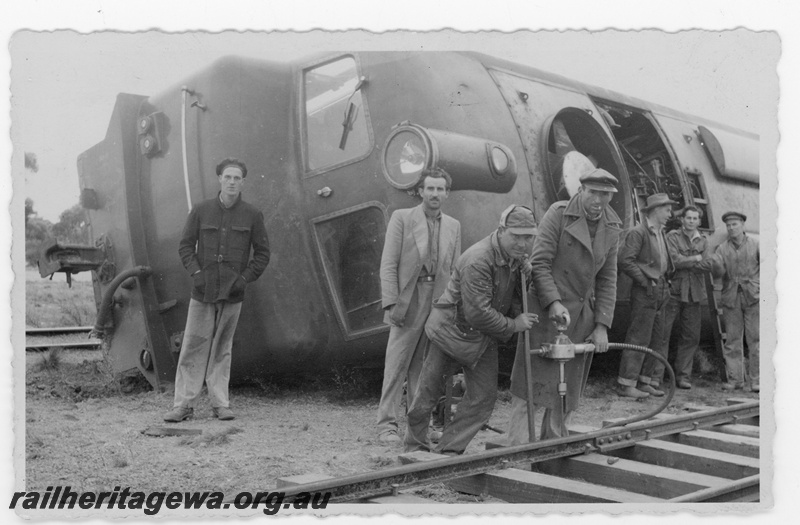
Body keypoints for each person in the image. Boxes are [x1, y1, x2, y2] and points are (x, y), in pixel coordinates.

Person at [404, 205, 538, 455]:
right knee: (427, 395)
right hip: (449, 333)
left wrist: (526, 276)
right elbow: (478, 313)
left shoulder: (515, 259)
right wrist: (514, 325)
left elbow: (509, 299)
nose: (522, 243)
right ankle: (414, 449)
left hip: (482, 338)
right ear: (501, 231)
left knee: (483, 398)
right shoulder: (478, 259)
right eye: (516, 236)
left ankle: (449, 451)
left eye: (528, 237)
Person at [507, 168, 622, 443]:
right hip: (546, 312)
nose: (598, 199)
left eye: (604, 194)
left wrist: (602, 325)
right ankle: (516, 450)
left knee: (567, 389)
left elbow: (608, 279)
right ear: (581, 190)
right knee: (531, 386)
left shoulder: (613, 227)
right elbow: (540, 263)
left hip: (580, 317)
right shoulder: (558, 214)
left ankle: (554, 446)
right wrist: (554, 302)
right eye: (593, 192)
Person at [164, 158, 270, 422]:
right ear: (219, 179)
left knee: (223, 348)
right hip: (203, 290)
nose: (232, 182)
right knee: (193, 346)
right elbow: (185, 247)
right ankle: (183, 405)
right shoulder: (201, 211)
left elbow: (263, 254)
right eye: (227, 177)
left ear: (242, 182)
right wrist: (197, 274)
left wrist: (244, 279)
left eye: (237, 178)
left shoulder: (252, 214)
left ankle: (220, 404)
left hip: (233, 293)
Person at [376, 168, 462, 443]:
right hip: (409, 299)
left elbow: (455, 270)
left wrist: (450, 306)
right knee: (397, 363)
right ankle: (386, 425)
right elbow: (388, 264)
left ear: (446, 193)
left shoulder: (453, 226)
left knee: (424, 368)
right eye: (430, 188)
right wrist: (390, 302)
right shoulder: (402, 218)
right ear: (421, 191)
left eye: (440, 189)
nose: (435, 193)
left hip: (437, 302)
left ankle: (418, 427)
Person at [616, 193, 677, 398]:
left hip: (661, 289)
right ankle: (626, 384)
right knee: (638, 337)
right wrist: (643, 280)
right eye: (667, 210)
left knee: (656, 338)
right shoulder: (638, 232)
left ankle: (644, 381)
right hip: (646, 291)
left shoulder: (661, 233)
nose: (670, 214)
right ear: (655, 210)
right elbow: (625, 260)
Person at [663, 206, 713, 390]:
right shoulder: (672, 237)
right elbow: (673, 261)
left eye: (695, 218)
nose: (691, 221)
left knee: (691, 336)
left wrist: (688, 260)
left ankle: (683, 377)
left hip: (695, 293)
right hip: (674, 290)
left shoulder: (703, 241)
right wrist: (696, 258)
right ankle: (656, 376)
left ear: (699, 221)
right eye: (688, 218)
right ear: (682, 219)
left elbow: (707, 264)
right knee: (663, 333)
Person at [710, 211, 760, 392]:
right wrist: (715, 263)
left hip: (753, 296)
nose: (731, 228)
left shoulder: (756, 244)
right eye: (728, 225)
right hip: (731, 297)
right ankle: (736, 379)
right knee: (732, 340)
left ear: (743, 225)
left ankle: (757, 380)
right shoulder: (722, 248)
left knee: (756, 339)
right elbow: (718, 275)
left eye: (735, 224)